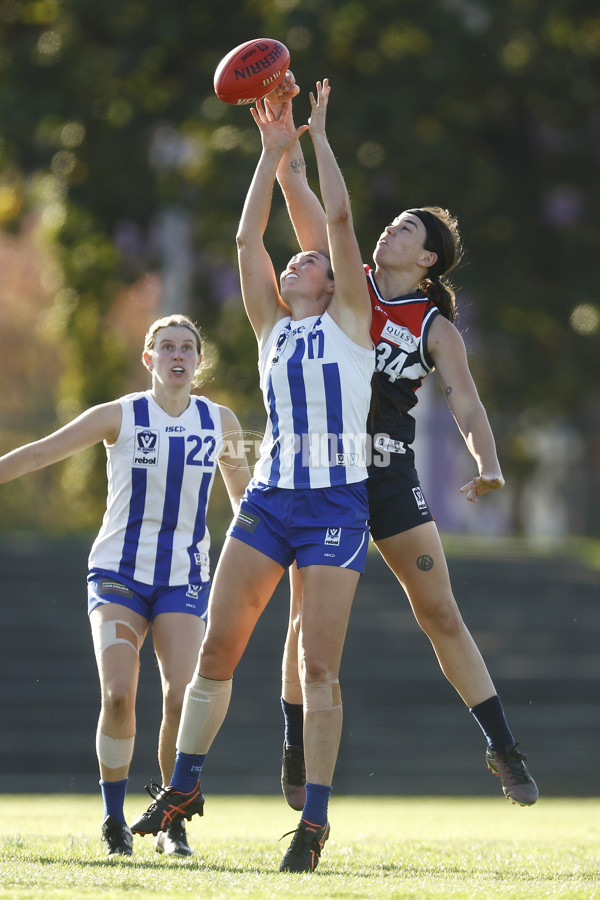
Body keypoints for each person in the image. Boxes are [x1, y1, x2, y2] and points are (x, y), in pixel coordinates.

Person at [267, 73, 538, 810]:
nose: (390, 230)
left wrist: (488, 464)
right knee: (302, 624)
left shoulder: (433, 326)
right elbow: (304, 208)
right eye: (391, 223)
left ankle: (502, 745)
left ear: (429, 262)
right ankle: (295, 737)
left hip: (386, 475)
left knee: (440, 612)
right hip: (323, 473)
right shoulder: (344, 280)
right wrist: (287, 142)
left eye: (409, 230)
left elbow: (467, 403)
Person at [130, 81, 375, 874]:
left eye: (311, 262)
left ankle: (314, 821)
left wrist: (319, 139)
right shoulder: (272, 326)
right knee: (218, 656)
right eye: (293, 258)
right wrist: (269, 158)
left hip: (336, 503)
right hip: (268, 501)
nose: (298, 259)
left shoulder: (350, 324)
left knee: (319, 667)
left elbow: (336, 222)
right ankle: (184, 787)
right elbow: (244, 245)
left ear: (334, 284)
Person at [0, 314, 250, 857]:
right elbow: (44, 450)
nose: (177, 355)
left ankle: (172, 818)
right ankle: (115, 823)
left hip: (184, 578)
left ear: (198, 360)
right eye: (167, 347)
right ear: (149, 358)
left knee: (183, 697)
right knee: (118, 696)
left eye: (187, 347)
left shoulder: (221, 422)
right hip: (118, 574)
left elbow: (244, 504)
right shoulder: (121, 415)